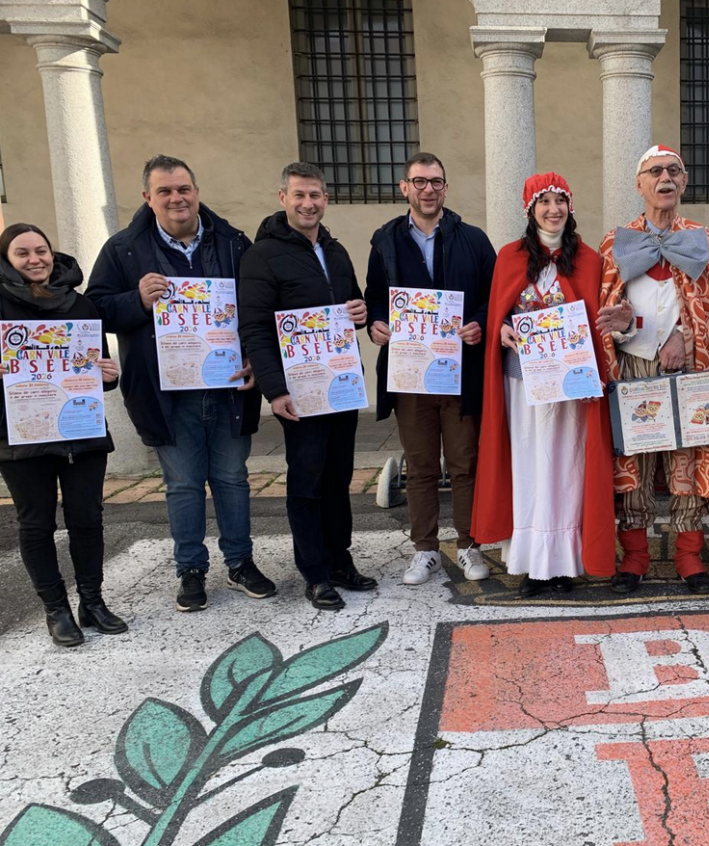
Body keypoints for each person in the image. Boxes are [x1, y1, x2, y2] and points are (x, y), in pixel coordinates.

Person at [88, 155, 271, 613]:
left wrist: (254, 356)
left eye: (184, 188)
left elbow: (258, 306)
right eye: (165, 191)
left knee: (232, 479)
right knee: (183, 484)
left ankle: (240, 562)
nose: (177, 198)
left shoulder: (234, 243)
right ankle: (190, 569)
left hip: (228, 386)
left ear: (196, 192)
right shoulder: (123, 250)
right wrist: (136, 300)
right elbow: (95, 311)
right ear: (147, 198)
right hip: (164, 392)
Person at [238, 162, 377, 610]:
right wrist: (275, 390)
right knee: (306, 482)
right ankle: (315, 573)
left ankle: (339, 560)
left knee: (338, 478)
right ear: (283, 198)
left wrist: (360, 311)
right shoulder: (261, 256)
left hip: (340, 383)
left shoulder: (335, 250)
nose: (308, 203)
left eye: (315, 195)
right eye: (299, 195)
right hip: (299, 390)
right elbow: (254, 328)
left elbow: (353, 303)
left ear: (325, 199)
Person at [598, 145, 709, 595]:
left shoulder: (702, 238)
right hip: (633, 363)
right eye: (655, 171)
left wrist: (685, 336)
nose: (665, 178)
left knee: (686, 462)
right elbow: (608, 310)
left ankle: (689, 556)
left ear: (685, 181)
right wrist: (622, 325)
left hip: (687, 366)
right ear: (639, 184)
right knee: (634, 461)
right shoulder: (615, 242)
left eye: (674, 170)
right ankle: (635, 557)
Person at [471, 173, 616, 596]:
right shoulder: (509, 257)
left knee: (567, 467)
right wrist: (500, 329)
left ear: (570, 206)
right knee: (529, 465)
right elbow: (498, 312)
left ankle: (564, 563)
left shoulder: (588, 259)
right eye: (544, 202)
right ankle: (532, 564)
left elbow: (596, 322)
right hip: (521, 383)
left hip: (569, 386)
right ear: (530, 210)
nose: (553, 209)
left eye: (560, 201)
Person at [365, 152, 495, 587]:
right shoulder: (385, 241)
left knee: (464, 464)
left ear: (446, 187)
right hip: (410, 375)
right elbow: (374, 296)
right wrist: (376, 323)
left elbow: (493, 294)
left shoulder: (473, 239)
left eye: (436, 181)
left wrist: (479, 322)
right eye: (419, 181)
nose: (428, 189)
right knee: (420, 467)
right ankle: (425, 550)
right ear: (405, 187)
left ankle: (470, 545)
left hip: (460, 372)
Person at [1, 224, 124, 646]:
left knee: (87, 519)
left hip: (79, 429)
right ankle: (56, 609)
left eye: (41, 250)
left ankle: (92, 601)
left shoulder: (80, 304)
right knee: (36, 524)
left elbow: (98, 369)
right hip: (20, 434)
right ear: (6, 260)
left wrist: (108, 375)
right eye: (22, 253)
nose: (35, 259)